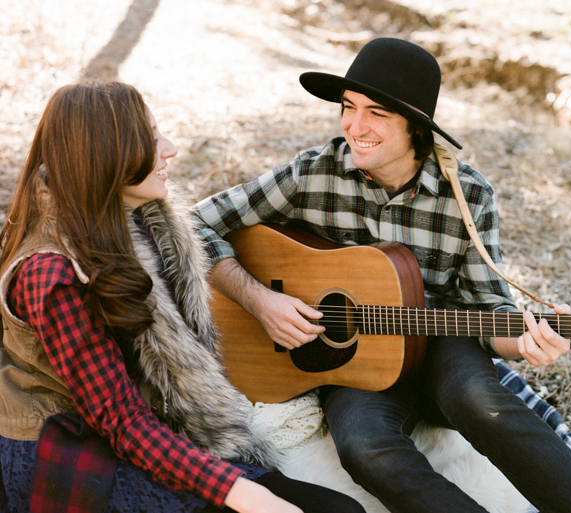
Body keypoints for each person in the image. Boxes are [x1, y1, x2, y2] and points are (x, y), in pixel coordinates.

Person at [193, 38, 571, 513]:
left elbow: (490, 308)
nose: (355, 127)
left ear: (416, 127)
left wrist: (524, 341)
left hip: (441, 345)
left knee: (484, 403)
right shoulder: (311, 174)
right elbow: (193, 223)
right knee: (364, 447)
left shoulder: (467, 194)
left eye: (376, 113)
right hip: (357, 368)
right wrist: (259, 300)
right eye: (348, 107)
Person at [0, 80, 366, 513]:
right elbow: (119, 419)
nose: (170, 149)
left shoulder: (138, 225)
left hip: (155, 432)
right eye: (151, 140)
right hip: (71, 452)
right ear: (108, 156)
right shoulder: (52, 273)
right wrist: (240, 491)